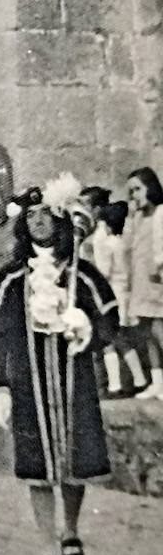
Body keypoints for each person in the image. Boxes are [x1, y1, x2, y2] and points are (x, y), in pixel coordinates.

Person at [0, 177, 118, 555]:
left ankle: (71, 532)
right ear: (22, 225)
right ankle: (46, 549)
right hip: (29, 384)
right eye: (31, 217)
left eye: (46, 215)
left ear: (60, 220)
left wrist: (86, 329)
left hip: (73, 378)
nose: (39, 223)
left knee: (76, 459)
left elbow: (111, 323)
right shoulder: (9, 279)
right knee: (37, 464)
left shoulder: (82, 272)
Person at [82, 189, 149, 398]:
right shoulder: (115, 236)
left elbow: (103, 270)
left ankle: (118, 385)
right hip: (120, 290)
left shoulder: (102, 237)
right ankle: (135, 380)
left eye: (87, 206)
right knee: (115, 338)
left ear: (98, 209)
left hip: (111, 293)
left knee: (110, 339)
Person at [125, 166, 163, 399]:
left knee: (160, 331)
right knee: (148, 332)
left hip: (158, 281)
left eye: (137, 189)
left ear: (151, 187)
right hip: (142, 282)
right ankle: (158, 381)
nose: (134, 196)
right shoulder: (138, 217)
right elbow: (130, 246)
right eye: (130, 192)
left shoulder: (161, 213)